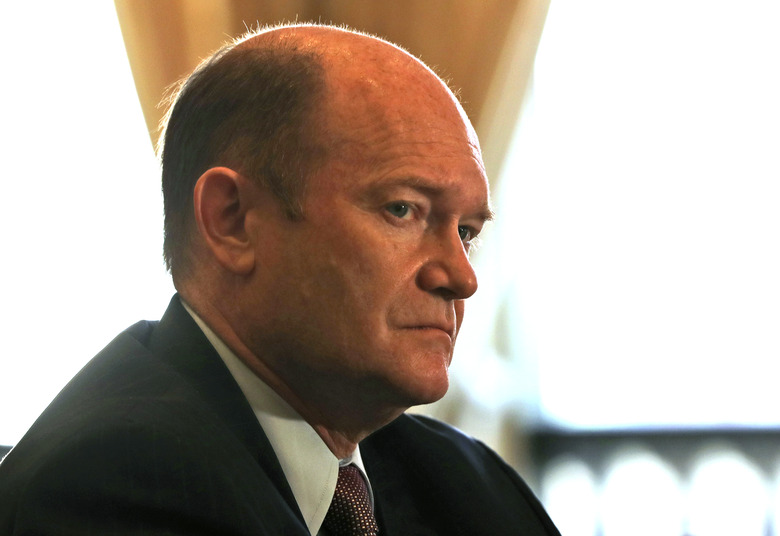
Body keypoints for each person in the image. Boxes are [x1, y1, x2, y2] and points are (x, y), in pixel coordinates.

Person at [0, 24, 560, 535]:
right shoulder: (106, 486)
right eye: (402, 210)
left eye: (465, 232)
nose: (460, 277)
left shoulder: (469, 486)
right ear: (232, 220)